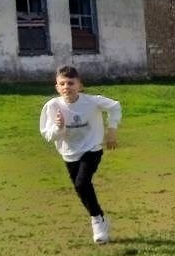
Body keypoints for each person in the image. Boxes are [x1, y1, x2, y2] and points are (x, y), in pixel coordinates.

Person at [39, 65, 121, 244]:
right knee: (81, 188)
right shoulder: (52, 106)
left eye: (71, 83)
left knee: (82, 183)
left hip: (92, 148)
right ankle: (99, 216)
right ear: (57, 87)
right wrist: (58, 127)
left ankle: (97, 222)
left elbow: (115, 106)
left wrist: (112, 129)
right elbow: (47, 135)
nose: (66, 87)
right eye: (62, 84)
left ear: (80, 85)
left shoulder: (91, 101)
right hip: (69, 153)